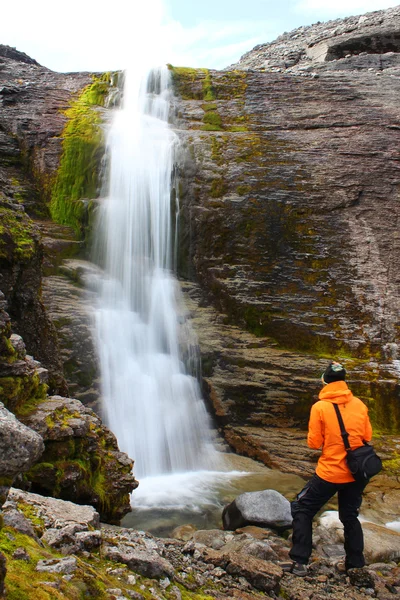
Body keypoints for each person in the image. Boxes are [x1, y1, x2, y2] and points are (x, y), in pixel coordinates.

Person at [282, 361, 373, 577]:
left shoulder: (320, 407)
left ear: (325, 381)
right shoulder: (360, 405)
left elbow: (314, 443)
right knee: (350, 516)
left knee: (302, 509)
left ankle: (299, 561)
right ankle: (356, 566)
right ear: (344, 381)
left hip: (331, 471)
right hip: (356, 473)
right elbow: (367, 437)